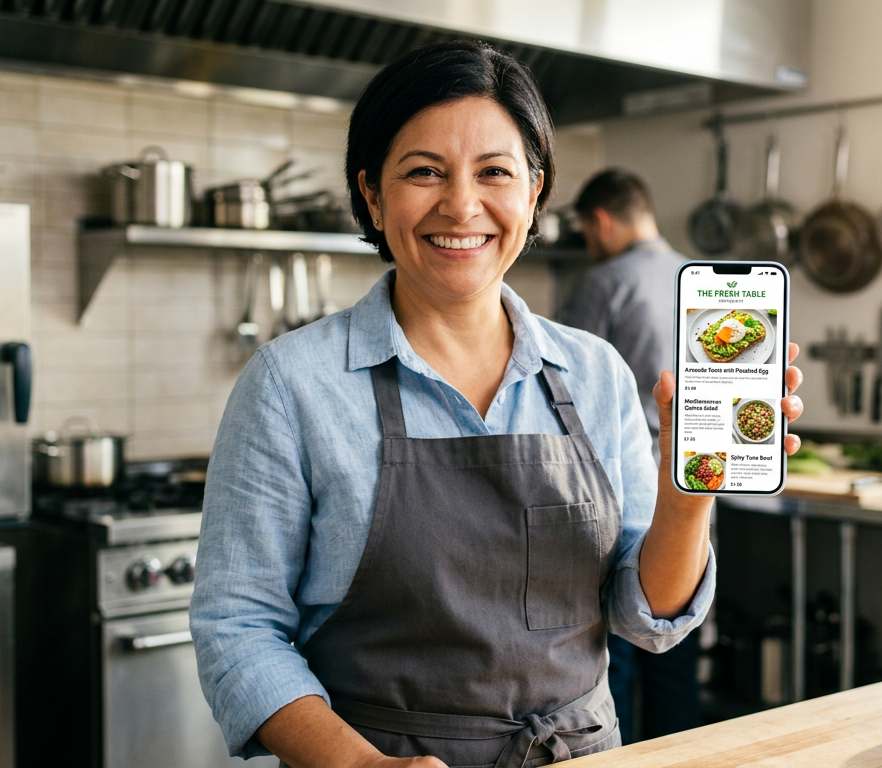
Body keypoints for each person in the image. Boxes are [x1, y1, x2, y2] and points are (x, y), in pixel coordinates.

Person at [190, 41, 805, 768]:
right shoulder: (291, 384)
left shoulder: (595, 372)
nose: (461, 206)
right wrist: (359, 766)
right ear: (373, 194)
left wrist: (687, 491)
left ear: (535, 194)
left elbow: (647, 617)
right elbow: (238, 627)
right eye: (424, 172)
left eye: (494, 173)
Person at [558, 170, 699, 741]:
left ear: (602, 221)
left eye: (587, 234)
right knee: (677, 633)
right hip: (696, 479)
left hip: (618, 476)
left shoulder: (603, 282)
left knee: (618, 649)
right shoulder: (692, 275)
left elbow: (561, 389)